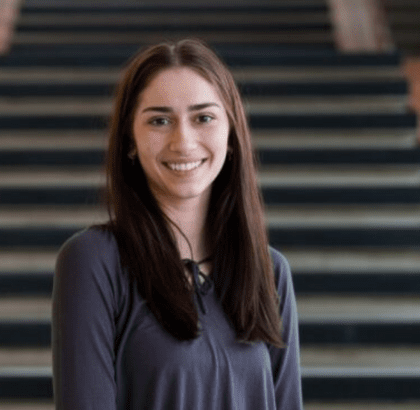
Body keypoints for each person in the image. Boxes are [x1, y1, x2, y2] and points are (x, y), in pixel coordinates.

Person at [52, 38, 303, 410]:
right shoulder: (93, 261)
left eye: (203, 118)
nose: (183, 141)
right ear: (130, 142)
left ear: (231, 134)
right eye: (159, 120)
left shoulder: (269, 270)